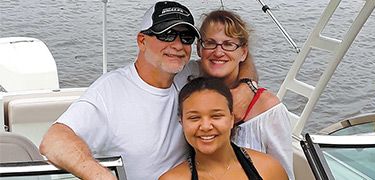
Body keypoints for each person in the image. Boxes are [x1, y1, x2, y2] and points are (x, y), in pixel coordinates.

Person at [39, 1, 257, 180]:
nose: (178, 45)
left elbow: (237, 60)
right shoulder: (110, 91)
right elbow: (54, 140)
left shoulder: (188, 73)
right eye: (166, 35)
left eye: (186, 37)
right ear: (142, 41)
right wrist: (102, 176)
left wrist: (247, 87)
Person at [185, 10, 294, 179]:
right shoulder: (188, 81)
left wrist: (247, 86)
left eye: (229, 44)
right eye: (210, 43)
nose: (218, 52)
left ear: (243, 52)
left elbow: (283, 173)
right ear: (199, 49)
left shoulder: (269, 110)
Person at [159, 77, 288, 180]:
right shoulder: (172, 178)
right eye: (194, 117)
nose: (205, 126)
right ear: (182, 122)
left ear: (232, 119)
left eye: (216, 116)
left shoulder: (268, 169)